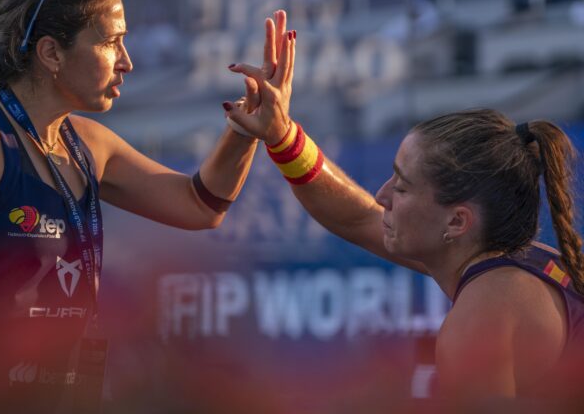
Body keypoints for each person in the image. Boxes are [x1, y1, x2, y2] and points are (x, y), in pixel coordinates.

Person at [0, 0, 295, 414]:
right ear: (51, 52)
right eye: (111, 42)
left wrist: (244, 130)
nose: (126, 62)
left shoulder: (88, 143)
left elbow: (201, 206)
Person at [226, 60, 584, 402]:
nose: (381, 196)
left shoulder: (480, 319)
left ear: (457, 222)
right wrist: (282, 136)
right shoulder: (518, 265)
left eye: (401, 187)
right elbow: (356, 217)